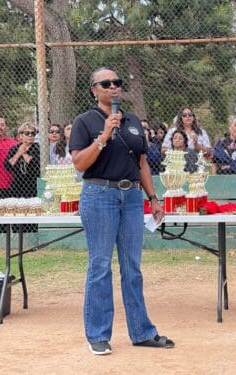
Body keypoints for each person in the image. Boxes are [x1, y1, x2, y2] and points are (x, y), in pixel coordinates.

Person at [69, 67, 174, 355]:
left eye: (117, 82)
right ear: (94, 90)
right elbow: (79, 163)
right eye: (106, 83)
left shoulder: (132, 122)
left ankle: (142, 332)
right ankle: (98, 335)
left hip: (131, 198)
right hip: (99, 194)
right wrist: (103, 136)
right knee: (100, 266)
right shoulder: (84, 122)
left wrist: (153, 197)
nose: (113, 87)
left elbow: (142, 162)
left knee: (133, 268)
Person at [0, 116, 17, 200]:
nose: (0, 127)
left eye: (2, 125)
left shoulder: (14, 144)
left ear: (6, 127)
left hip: (10, 184)